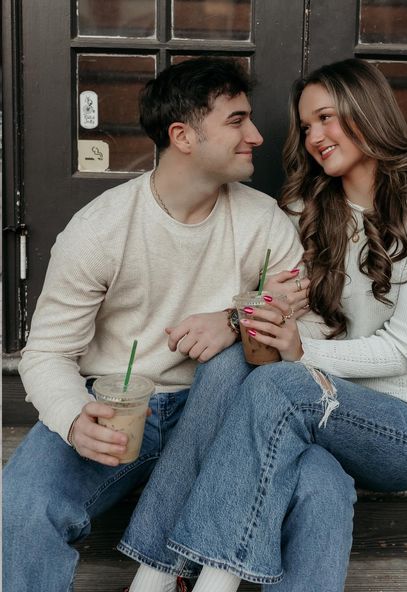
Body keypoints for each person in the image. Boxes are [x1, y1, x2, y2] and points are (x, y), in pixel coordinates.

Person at [117, 58, 407, 592]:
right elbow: (279, 307)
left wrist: (298, 352)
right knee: (314, 476)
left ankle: (191, 575)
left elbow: (402, 351)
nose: (315, 137)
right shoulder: (305, 208)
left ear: (366, 113)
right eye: (307, 126)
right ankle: (158, 574)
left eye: (326, 118)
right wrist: (250, 318)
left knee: (280, 381)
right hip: (318, 414)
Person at [2, 57, 321, 592]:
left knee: (317, 488)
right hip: (120, 408)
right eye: (237, 121)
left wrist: (232, 320)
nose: (258, 136)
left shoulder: (264, 220)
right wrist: (74, 416)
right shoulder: (100, 230)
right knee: (21, 507)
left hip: (223, 415)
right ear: (183, 135)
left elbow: (305, 335)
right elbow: (47, 354)